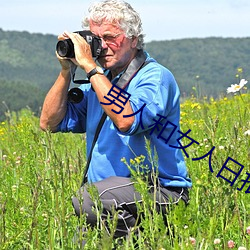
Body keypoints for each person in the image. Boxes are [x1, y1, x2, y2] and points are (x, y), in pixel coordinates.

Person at [40, 0, 192, 244]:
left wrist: (90, 67)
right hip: (110, 199)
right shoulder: (99, 83)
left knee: (88, 200)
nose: (102, 47)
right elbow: (49, 123)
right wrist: (66, 70)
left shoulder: (154, 77)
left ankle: (146, 241)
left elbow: (126, 120)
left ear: (133, 39)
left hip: (160, 191)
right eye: (96, 39)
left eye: (110, 37)